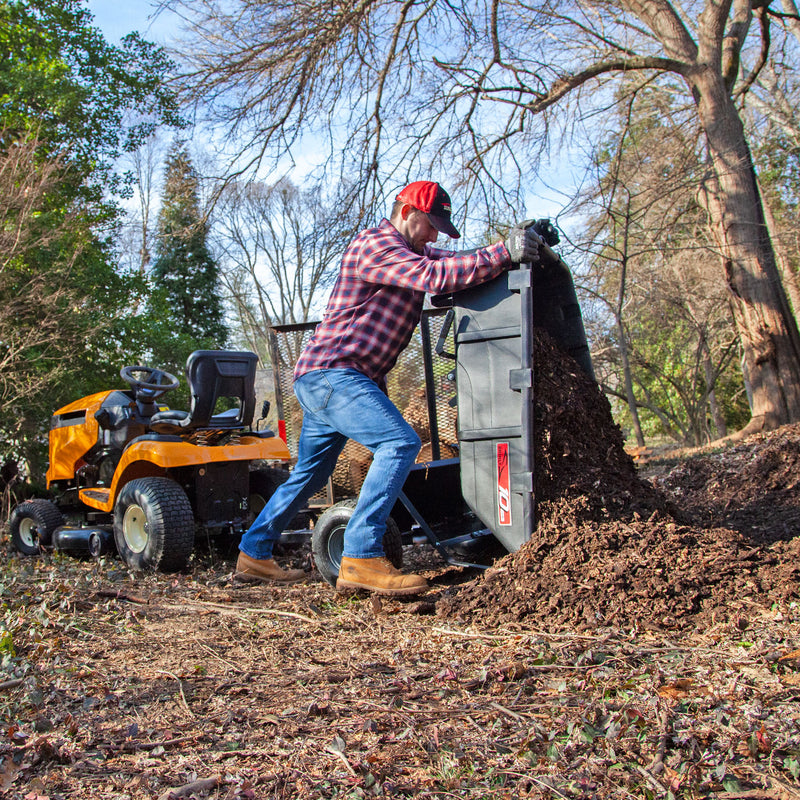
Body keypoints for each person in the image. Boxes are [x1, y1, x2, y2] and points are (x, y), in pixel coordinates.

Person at [236, 180, 543, 595]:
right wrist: (505, 252)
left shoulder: (414, 249)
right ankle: (361, 556)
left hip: (334, 377)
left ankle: (253, 553)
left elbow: (456, 262)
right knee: (399, 442)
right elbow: (434, 276)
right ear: (405, 210)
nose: (434, 234)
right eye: (430, 224)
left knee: (311, 474)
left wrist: (515, 247)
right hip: (333, 373)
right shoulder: (376, 246)